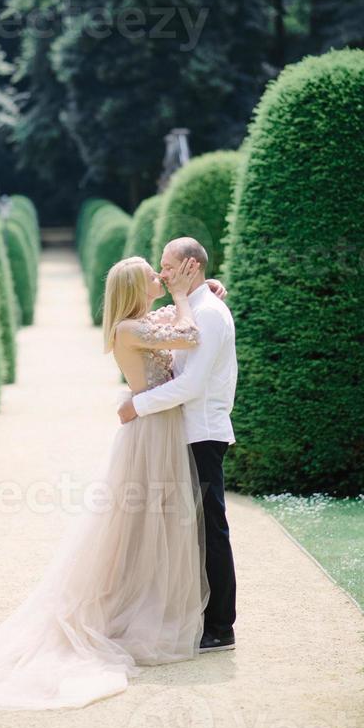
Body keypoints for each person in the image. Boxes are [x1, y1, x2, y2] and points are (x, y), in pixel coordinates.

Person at [0, 255, 224, 710]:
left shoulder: (142, 320)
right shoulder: (128, 329)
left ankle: (154, 604)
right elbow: (190, 333)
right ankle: (137, 609)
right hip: (150, 431)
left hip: (161, 426)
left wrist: (206, 290)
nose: (160, 276)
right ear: (134, 286)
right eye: (151, 273)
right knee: (139, 521)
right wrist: (184, 295)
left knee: (158, 521)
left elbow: (180, 323)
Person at [118, 237, 238, 653]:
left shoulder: (210, 314)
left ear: (189, 266)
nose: (162, 273)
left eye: (167, 266)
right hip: (180, 431)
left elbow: (191, 385)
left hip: (201, 432)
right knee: (185, 531)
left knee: (210, 528)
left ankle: (220, 626)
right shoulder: (197, 307)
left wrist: (138, 405)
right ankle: (191, 615)